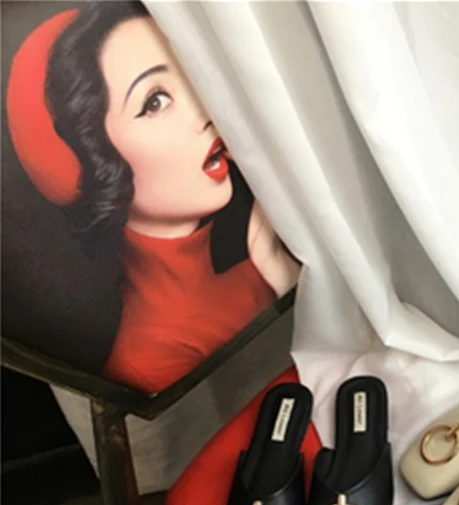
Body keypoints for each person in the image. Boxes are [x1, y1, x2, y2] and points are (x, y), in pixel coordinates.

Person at [6, 2, 300, 392]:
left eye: (190, 72)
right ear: (97, 164)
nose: (205, 111)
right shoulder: (151, 358)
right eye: (155, 102)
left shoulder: (258, 261)